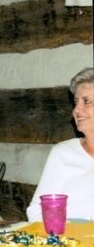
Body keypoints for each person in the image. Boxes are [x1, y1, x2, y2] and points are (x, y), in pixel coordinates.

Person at [27, 67, 94, 221]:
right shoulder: (63, 153)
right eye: (76, 102)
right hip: (68, 234)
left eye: (87, 101)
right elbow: (37, 210)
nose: (76, 110)